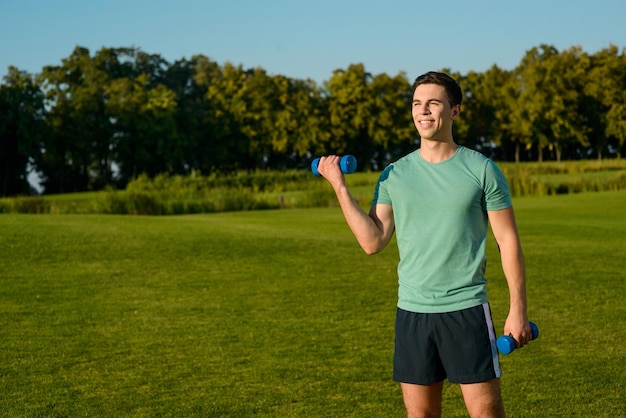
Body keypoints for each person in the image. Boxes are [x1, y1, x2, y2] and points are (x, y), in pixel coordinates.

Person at [316, 71, 531, 418]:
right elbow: (373, 241)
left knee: (486, 414)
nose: (423, 110)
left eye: (433, 102)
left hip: (466, 309)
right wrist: (340, 188)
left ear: (455, 111)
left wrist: (517, 309)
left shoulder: (482, 169)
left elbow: (508, 241)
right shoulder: (394, 175)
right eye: (417, 103)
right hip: (413, 313)